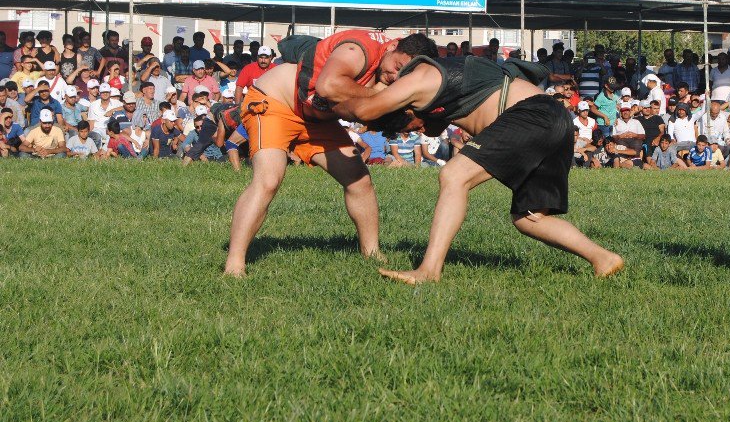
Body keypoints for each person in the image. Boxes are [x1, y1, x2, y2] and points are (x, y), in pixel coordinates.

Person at [332, 53, 624, 284]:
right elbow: (432, 126)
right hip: (555, 119)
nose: (418, 127)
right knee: (529, 218)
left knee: (453, 175)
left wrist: (325, 103)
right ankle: (603, 258)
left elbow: (364, 110)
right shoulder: (443, 89)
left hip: (533, 114)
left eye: (411, 123)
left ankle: (429, 270)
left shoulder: (423, 80)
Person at [224, 29, 437, 277]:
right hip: (275, 104)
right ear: (392, 46)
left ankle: (372, 254)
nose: (395, 75)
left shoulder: (388, 73)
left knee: (359, 181)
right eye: (397, 66)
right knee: (268, 181)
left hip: (317, 121)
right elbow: (328, 86)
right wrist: (383, 96)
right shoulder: (357, 50)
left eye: (404, 74)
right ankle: (234, 264)